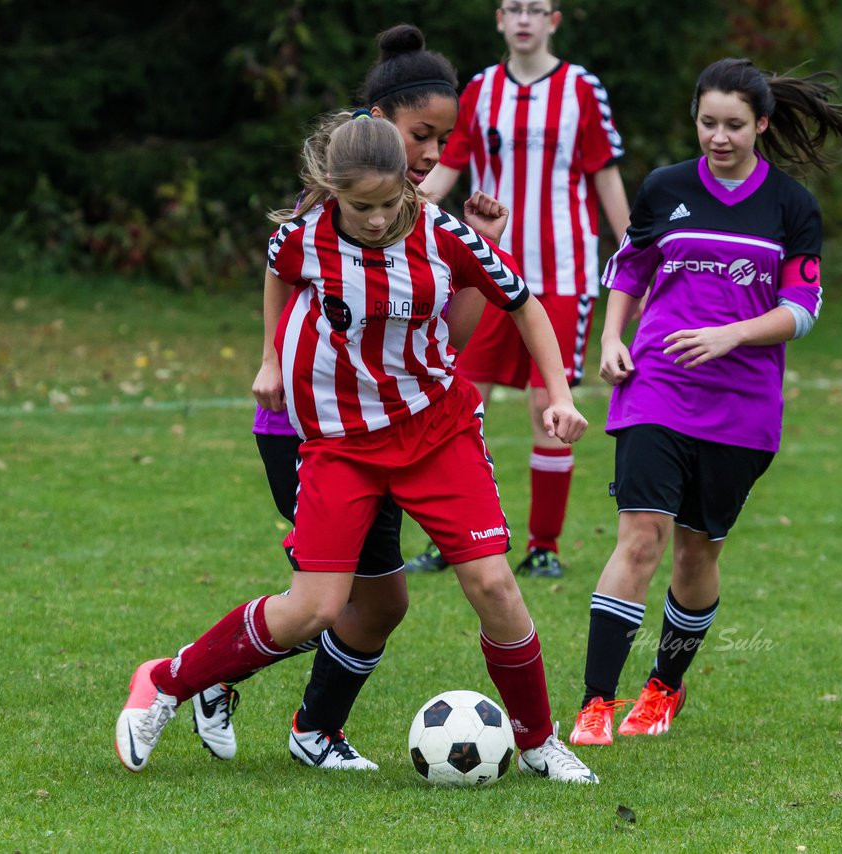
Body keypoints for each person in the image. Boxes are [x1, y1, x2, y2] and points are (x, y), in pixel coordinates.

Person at [116, 110, 597, 784]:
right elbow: (277, 270)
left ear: (409, 185)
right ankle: (167, 681)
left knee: (492, 580)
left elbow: (522, 303)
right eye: (359, 205)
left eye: (387, 203)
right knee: (313, 606)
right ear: (331, 191)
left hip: (437, 431)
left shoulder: (446, 235)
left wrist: (562, 396)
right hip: (340, 443)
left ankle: (541, 741)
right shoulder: (304, 237)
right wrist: (268, 357)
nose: (374, 219)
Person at [189, 24, 509, 771]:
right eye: (421, 136)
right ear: (377, 129)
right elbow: (288, 284)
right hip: (321, 432)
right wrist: (270, 360)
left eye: (442, 140)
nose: (433, 155)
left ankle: (309, 729)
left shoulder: (416, 219)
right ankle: (216, 680)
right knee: (336, 601)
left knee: (381, 603)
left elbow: (445, 340)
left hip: (395, 431)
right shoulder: (339, 209)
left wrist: (477, 266)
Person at [567, 58, 842, 745]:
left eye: (734, 125)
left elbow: (804, 306)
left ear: (761, 124)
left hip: (742, 407)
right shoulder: (665, 188)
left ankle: (665, 687)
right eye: (708, 123)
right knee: (640, 537)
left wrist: (732, 334)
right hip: (657, 387)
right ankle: (594, 705)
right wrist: (612, 337)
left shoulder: (791, 205)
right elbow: (632, 266)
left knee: (696, 555)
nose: (719, 137)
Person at [406, 0, 631, 579]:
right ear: (499, 20)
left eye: (536, 9)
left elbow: (604, 172)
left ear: (554, 20)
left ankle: (544, 547)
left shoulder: (582, 88)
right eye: (514, 8)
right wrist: (393, 213)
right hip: (483, 267)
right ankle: (452, 537)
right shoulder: (478, 90)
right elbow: (445, 169)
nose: (524, 18)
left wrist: (635, 250)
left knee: (545, 405)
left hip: (562, 271)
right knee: (456, 398)